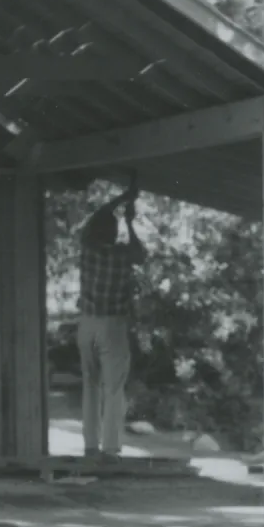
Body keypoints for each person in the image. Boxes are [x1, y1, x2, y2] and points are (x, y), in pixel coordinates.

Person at [77, 180, 146, 459]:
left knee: (90, 384)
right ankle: (111, 448)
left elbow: (95, 222)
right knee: (113, 387)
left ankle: (91, 446)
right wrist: (129, 222)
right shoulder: (121, 256)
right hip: (113, 325)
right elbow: (140, 254)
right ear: (115, 232)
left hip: (86, 324)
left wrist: (119, 200)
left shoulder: (88, 251)